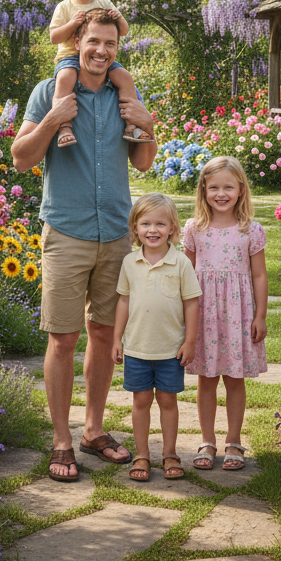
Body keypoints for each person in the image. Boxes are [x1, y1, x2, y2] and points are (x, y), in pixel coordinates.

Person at [11, 9, 159, 482]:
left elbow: (142, 163)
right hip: (67, 231)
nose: (100, 51)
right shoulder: (46, 92)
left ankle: (93, 431)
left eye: (109, 44)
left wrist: (149, 125)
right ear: (77, 41)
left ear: (118, 49)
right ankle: (61, 440)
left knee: (101, 335)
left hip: (116, 232)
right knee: (62, 338)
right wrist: (54, 119)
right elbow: (20, 160)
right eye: (92, 42)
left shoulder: (124, 96)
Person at [183, 155, 268, 472]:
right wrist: (183, 317)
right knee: (206, 379)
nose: (221, 194)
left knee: (234, 379)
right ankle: (207, 440)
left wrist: (260, 316)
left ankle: (234, 441)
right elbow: (186, 272)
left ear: (241, 189)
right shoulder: (195, 228)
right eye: (214, 187)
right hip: (204, 313)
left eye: (228, 187)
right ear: (203, 189)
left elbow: (259, 276)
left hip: (238, 313)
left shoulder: (251, 230)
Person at [112, 194, 201, 483]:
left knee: (167, 401)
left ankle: (170, 453)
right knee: (140, 401)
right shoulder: (129, 262)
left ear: (173, 228)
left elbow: (191, 303)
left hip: (170, 350)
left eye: (160, 223)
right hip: (138, 348)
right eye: (145, 223)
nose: (153, 229)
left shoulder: (181, 263)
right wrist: (117, 340)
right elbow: (123, 302)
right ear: (135, 228)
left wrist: (189, 341)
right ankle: (142, 455)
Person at [47, 0, 153, 148]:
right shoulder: (65, 7)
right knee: (65, 78)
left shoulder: (105, 3)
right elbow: (54, 37)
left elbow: (122, 31)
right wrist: (72, 24)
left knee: (124, 77)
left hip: (101, 60)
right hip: (70, 57)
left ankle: (132, 124)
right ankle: (63, 126)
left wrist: (119, 18)